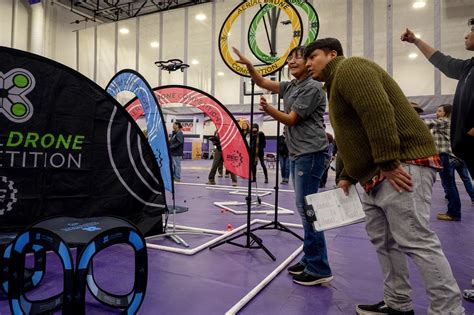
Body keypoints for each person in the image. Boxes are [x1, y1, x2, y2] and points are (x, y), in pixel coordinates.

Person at [304, 38, 464, 314]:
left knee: (416, 240)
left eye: (312, 56)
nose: (307, 63)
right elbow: (349, 136)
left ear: (332, 54)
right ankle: (398, 303)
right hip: (374, 175)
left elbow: (377, 112)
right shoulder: (333, 86)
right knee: (386, 243)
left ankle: (448, 310)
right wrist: (345, 175)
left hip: (399, 165)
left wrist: (389, 162)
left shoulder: (350, 68)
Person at [233, 46, 333, 286]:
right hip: (301, 152)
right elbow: (262, 82)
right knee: (304, 209)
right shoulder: (292, 86)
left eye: (297, 58)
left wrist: (269, 110)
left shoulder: (311, 88)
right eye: (290, 58)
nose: (291, 62)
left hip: (310, 153)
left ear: (309, 64)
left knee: (309, 211)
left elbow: (291, 119)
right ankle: (311, 258)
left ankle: (319, 267)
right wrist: (249, 66)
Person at [401, 20, 474, 177]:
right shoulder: (469, 67)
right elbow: (443, 62)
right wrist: (416, 41)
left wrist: (469, 135)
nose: (466, 36)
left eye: (472, 31)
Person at [425, 104, 462, 221]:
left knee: (449, 185)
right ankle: (453, 212)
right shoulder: (445, 122)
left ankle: (454, 213)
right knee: (450, 185)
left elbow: (427, 124)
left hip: (445, 156)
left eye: (439, 111)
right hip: (445, 156)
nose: (437, 113)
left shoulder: (444, 121)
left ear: (445, 113)